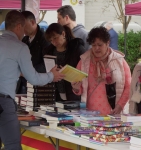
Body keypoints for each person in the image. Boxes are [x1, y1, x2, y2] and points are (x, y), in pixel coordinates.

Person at [0, 10, 64, 150]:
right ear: (18, 27)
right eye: (22, 29)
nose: (23, 33)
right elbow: (33, 78)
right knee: (12, 145)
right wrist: (52, 75)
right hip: (3, 102)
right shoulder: (20, 47)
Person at [71, 26, 131, 115]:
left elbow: (129, 86)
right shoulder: (84, 60)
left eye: (100, 45)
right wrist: (75, 88)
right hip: (90, 113)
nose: (96, 48)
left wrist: (120, 105)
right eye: (94, 45)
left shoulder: (119, 60)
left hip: (114, 112)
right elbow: (78, 88)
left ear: (108, 43)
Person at [43, 23, 86, 101]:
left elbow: (85, 70)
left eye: (55, 38)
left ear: (63, 34)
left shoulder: (76, 48)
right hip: (55, 94)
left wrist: (68, 72)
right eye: (51, 40)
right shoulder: (49, 51)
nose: (54, 42)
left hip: (74, 93)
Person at [16, 11, 50, 94]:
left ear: (32, 22)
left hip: (38, 85)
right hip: (23, 83)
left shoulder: (45, 39)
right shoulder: (25, 40)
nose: (22, 28)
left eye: (24, 25)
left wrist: (27, 71)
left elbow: (46, 64)